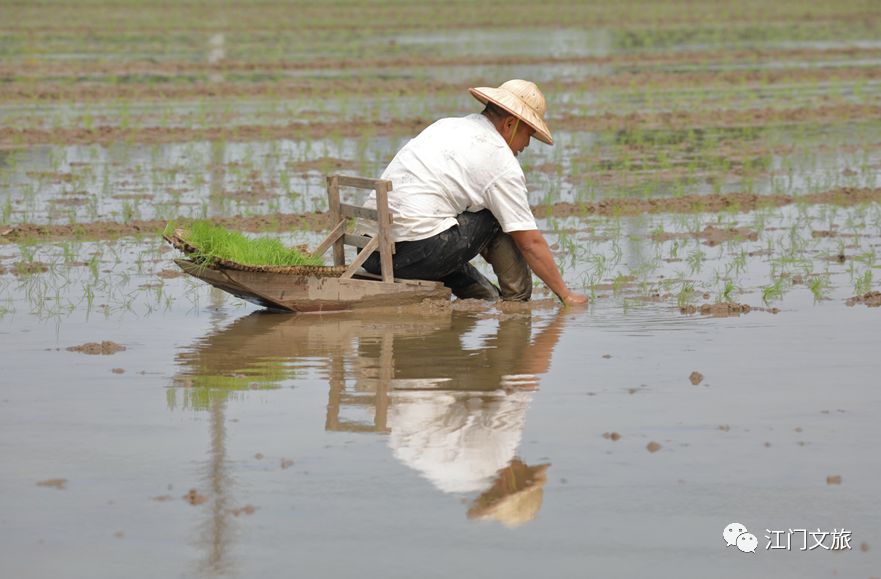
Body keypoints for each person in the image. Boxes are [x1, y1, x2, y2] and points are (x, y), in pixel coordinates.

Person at [360, 79, 588, 305]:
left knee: (442, 224)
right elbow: (530, 243)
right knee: (497, 216)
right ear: (510, 125)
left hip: (369, 252)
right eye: (528, 134)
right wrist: (565, 295)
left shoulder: (447, 125)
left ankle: (485, 296)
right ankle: (517, 302)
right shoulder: (500, 159)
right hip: (414, 254)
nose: (527, 144)